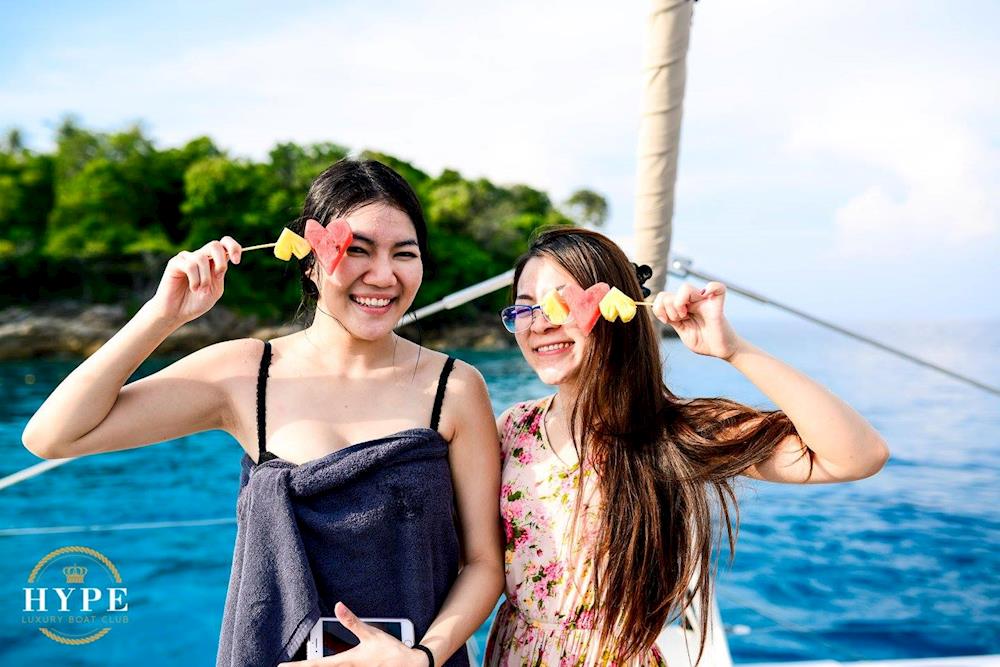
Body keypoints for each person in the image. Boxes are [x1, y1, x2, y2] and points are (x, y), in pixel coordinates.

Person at [21, 159, 504, 666]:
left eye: (404, 253)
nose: (383, 276)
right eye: (356, 250)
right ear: (310, 260)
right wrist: (163, 315)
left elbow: (483, 563)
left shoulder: (454, 386)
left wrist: (422, 657)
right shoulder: (247, 372)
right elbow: (53, 435)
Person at [484, 227, 890, 666]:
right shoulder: (514, 428)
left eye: (557, 304)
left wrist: (733, 350)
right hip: (513, 654)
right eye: (523, 309)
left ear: (609, 306)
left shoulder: (667, 431)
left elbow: (858, 456)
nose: (539, 324)